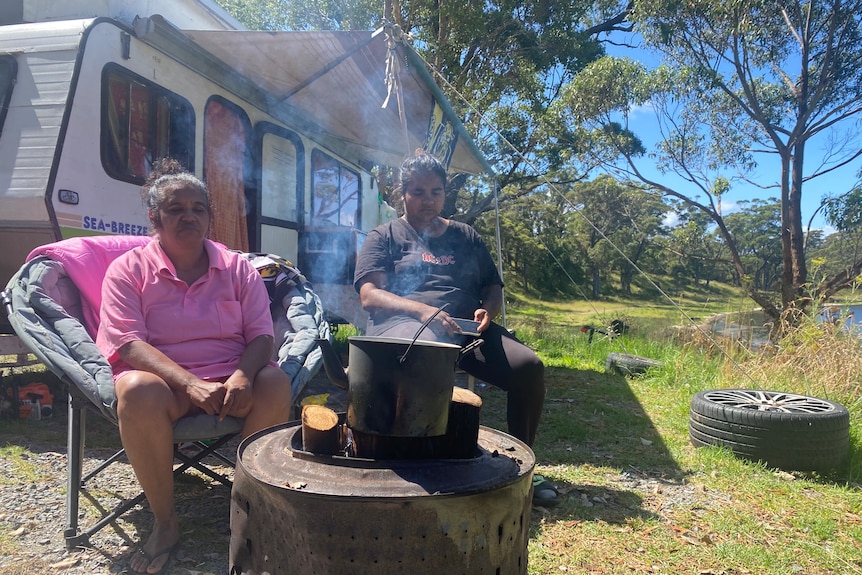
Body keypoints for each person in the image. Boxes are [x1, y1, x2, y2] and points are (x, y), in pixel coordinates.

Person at [96, 159, 292, 574]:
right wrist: (188, 384)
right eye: (175, 208)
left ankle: (247, 507)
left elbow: (261, 335)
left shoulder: (238, 268)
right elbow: (127, 343)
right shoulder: (127, 270)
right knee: (134, 389)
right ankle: (166, 523)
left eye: (197, 208)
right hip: (167, 389)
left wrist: (241, 375)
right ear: (154, 217)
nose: (188, 216)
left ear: (209, 215)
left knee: (274, 381)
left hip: (230, 387)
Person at [353, 150, 557, 506]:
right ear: (402, 193)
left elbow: (492, 288)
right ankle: (420, 469)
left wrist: (487, 312)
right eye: (418, 191)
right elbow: (369, 295)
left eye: (435, 192)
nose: (427, 200)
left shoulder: (466, 236)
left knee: (529, 367)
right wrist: (421, 311)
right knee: (424, 357)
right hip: (407, 326)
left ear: (445, 194)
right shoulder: (384, 235)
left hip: (466, 330)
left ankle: (523, 468)